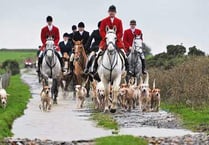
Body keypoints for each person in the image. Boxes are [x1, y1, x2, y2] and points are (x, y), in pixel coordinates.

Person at [92, 5, 130, 75]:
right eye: (110, 12)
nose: (111, 13)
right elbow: (102, 31)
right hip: (106, 40)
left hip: (117, 41)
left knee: (124, 53)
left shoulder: (119, 21)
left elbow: (121, 32)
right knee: (98, 53)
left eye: (113, 12)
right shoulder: (104, 21)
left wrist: (115, 37)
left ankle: (127, 68)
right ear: (108, 12)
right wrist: (106, 37)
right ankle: (95, 68)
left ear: (115, 13)